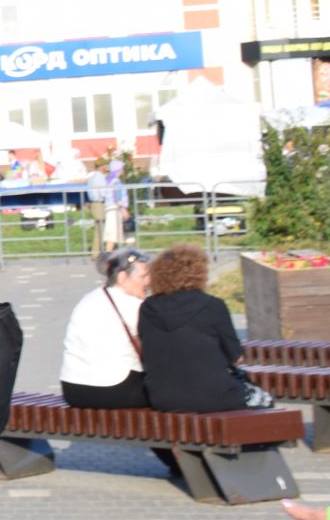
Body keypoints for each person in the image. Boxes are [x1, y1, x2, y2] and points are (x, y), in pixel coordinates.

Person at [138, 244, 266, 413]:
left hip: (163, 399)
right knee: (264, 401)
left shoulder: (147, 308)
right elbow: (235, 358)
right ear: (199, 273)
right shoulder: (213, 305)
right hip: (214, 396)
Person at [59, 248, 152, 408]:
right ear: (123, 277)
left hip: (72, 389)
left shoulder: (89, 298)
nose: (148, 282)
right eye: (143, 276)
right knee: (169, 393)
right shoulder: (135, 306)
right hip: (113, 389)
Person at [85, 157, 111, 254]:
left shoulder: (92, 177)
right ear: (101, 166)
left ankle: (96, 251)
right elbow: (103, 192)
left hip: (94, 203)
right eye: (105, 165)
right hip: (99, 203)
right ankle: (97, 252)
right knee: (100, 230)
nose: (107, 167)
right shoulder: (100, 177)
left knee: (98, 229)